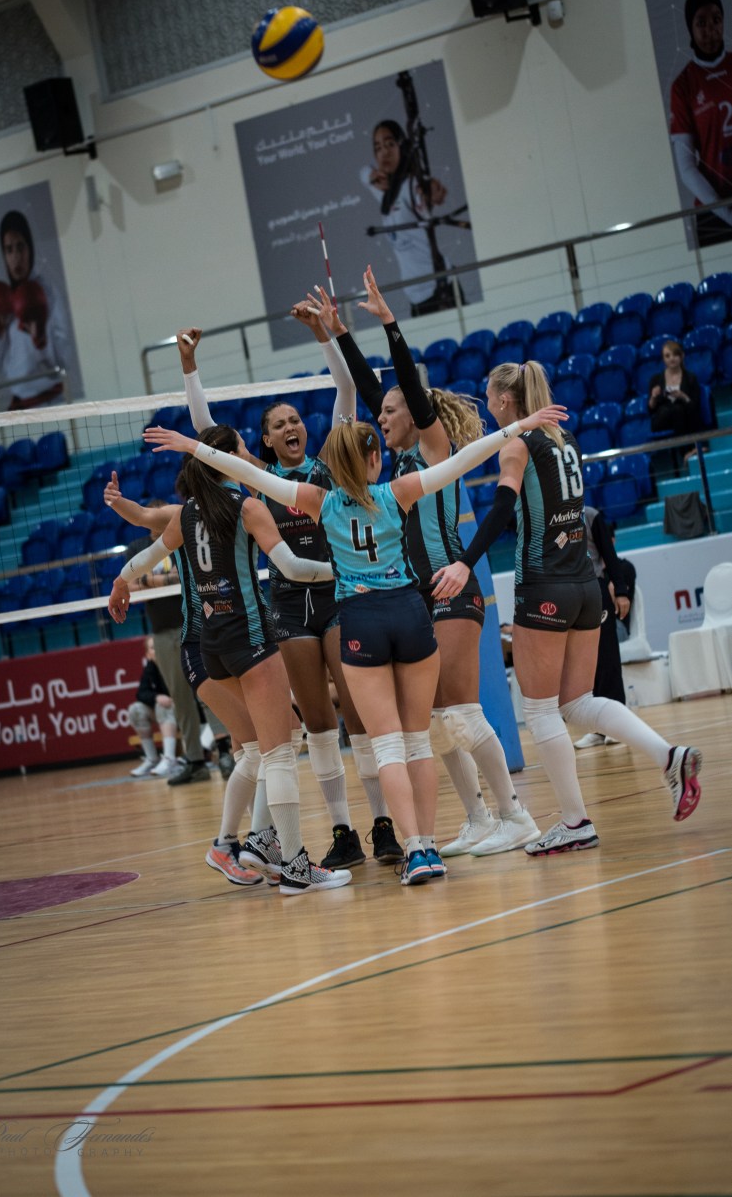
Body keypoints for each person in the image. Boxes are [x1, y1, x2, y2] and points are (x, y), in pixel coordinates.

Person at [143, 392, 568, 884]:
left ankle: (414, 852)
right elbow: (462, 461)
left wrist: (193, 447)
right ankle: (430, 845)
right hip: (409, 613)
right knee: (418, 743)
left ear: (331, 466)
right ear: (374, 460)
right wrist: (518, 427)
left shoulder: (317, 500)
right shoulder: (396, 492)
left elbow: (247, 472)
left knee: (385, 748)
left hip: (360, 620)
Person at [315, 268, 540, 857]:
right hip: (418, 597)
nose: (381, 418)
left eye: (391, 412)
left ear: (414, 417)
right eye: (381, 412)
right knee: (435, 723)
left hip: (452, 588)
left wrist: (389, 324)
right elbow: (374, 393)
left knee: (460, 714)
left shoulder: (433, 449)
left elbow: (408, 395)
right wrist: (340, 334)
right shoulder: (392, 468)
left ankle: (515, 814)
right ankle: (478, 819)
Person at [176, 320, 404, 871]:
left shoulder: (327, 467)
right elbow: (208, 433)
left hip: (336, 601)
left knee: (358, 714)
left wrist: (325, 335)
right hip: (286, 608)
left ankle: (382, 825)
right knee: (319, 724)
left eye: (295, 419)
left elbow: (345, 390)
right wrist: (189, 367)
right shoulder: (257, 479)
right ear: (266, 441)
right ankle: (343, 832)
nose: (290, 427)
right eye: (278, 425)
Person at [453, 360, 703, 855]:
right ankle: (668, 755)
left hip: (544, 583)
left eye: (489, 396)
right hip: (587, 584)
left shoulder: (517, 443)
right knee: (577, 704)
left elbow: (502, 508)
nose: (487, 404)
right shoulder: (565, 439)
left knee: (539, 709)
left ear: (505, 400)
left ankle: (574, 821)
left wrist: (465, 562)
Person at [110, 424, 353, 897]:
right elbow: (293, 569)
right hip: (250, 637)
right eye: (239, 449)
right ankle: (295, 866)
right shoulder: (247, 507)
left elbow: (148, 557)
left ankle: (258, 841)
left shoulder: (187, 514)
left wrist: (121, 581)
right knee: (278, 753)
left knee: (271, 745)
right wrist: (342, 570)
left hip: (213, 647)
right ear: (225, 460)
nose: (247, 454)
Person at [125, 506, 213, 787]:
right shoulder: (138, 548)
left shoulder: (181, 538)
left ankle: (226, 750)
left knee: (209, 690)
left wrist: (148, 579)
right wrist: (161, 579)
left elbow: (187, 575)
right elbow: (131, 585)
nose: (157, 521)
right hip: (162, 632)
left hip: (195, 623)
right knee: (180, 698)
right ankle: (195, 761)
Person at [361, 120, 460, 317]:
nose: (384, 153)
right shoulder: (383, 190)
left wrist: (431, 191)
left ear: (402, 146)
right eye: (378, 148)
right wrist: (371, 175)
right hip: (415, 297)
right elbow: (362, 173)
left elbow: (424, 191)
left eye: (390, 144)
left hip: (440, 290)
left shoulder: (411, 185)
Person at [0, 210, 76, 409]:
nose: (16, 257)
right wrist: (0, 331)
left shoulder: (48, 293)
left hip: (51, 403)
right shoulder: (5, 299)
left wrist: (40, 342)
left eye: (21, 247)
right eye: (9, 250)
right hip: (19, 406)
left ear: (30, 248)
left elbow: (64, 361)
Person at [670, 0, 732, 246]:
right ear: (690, 28)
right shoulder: (682, 86)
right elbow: (686, 167)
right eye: (701, 23)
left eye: (716, 20)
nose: (710, 30)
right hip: (714, 212)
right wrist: (726, 212)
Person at [572, 506, 632, 749]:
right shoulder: (546, 516)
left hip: (594, 588)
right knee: (584, 665)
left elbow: (609, 554)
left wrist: (621, 590)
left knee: (607, 658)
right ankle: (597, 728)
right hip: (568, 594)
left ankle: (618, 725)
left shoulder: (590, 515)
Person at [128, 636, 182, 777]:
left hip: (185, 712)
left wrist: (171, 700)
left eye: (158, 645)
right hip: (165, 714)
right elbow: (141, 693)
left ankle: (170, 759)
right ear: (148, 655)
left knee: (163, 706)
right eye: (153, 648)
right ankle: (152, 759)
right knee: (135, 710)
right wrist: (156, 697)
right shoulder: (150, 668)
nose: (157, 650)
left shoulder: (176, 661)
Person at [647, 339, 704, 462]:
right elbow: (651, 409)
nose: (671, 359)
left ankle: (692, 450)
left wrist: (683, 396)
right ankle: (690, 450)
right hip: (662, 418)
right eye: (667, 356)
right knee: (678, 410)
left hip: (684, 415)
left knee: (683, 410)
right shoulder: (656, 379)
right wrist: (653, 397)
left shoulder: (690, 378)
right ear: (663, 359)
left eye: (675, 355)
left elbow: (695, 405)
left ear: (682, 356)